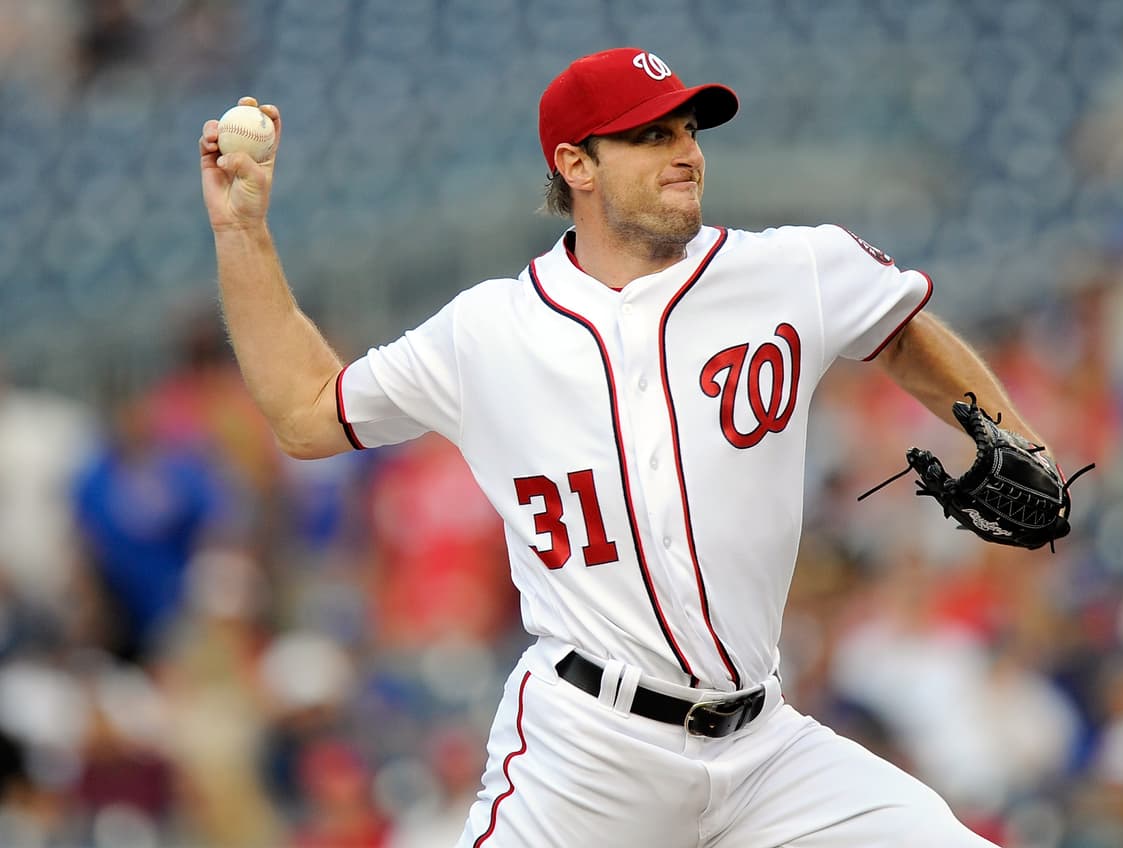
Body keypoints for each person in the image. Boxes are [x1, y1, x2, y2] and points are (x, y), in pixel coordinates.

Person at [198, 46, 1054, 847]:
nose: (686, 153)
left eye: (688, 131)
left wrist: (1015, 438)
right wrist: (243, 234)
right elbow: (308, 413)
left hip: (765, 747)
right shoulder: (488, 331)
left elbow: (899, 329)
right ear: (577, 164)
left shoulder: (792, 271)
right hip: (587, 752)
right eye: (651, 136)